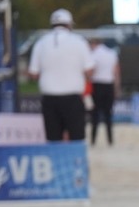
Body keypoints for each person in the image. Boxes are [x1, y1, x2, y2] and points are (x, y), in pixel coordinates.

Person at [25, 8, 94, 142]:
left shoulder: (41, 43)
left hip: (50, 98)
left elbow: (33, 74)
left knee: (53, 139)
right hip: (72, 98)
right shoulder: (79, 42)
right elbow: (89, 71)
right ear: (69, 25)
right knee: (77, 138)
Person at [88, 36, 120, 146]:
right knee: (108, 114)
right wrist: (116, 88)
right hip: (109, 85)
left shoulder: (93, 54)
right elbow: (116, 72)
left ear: (93, 44)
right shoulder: (112, 53)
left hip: (97, 85)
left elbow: (91, 71)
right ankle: (110, 140)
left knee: (95, 115)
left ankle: (93, 140)